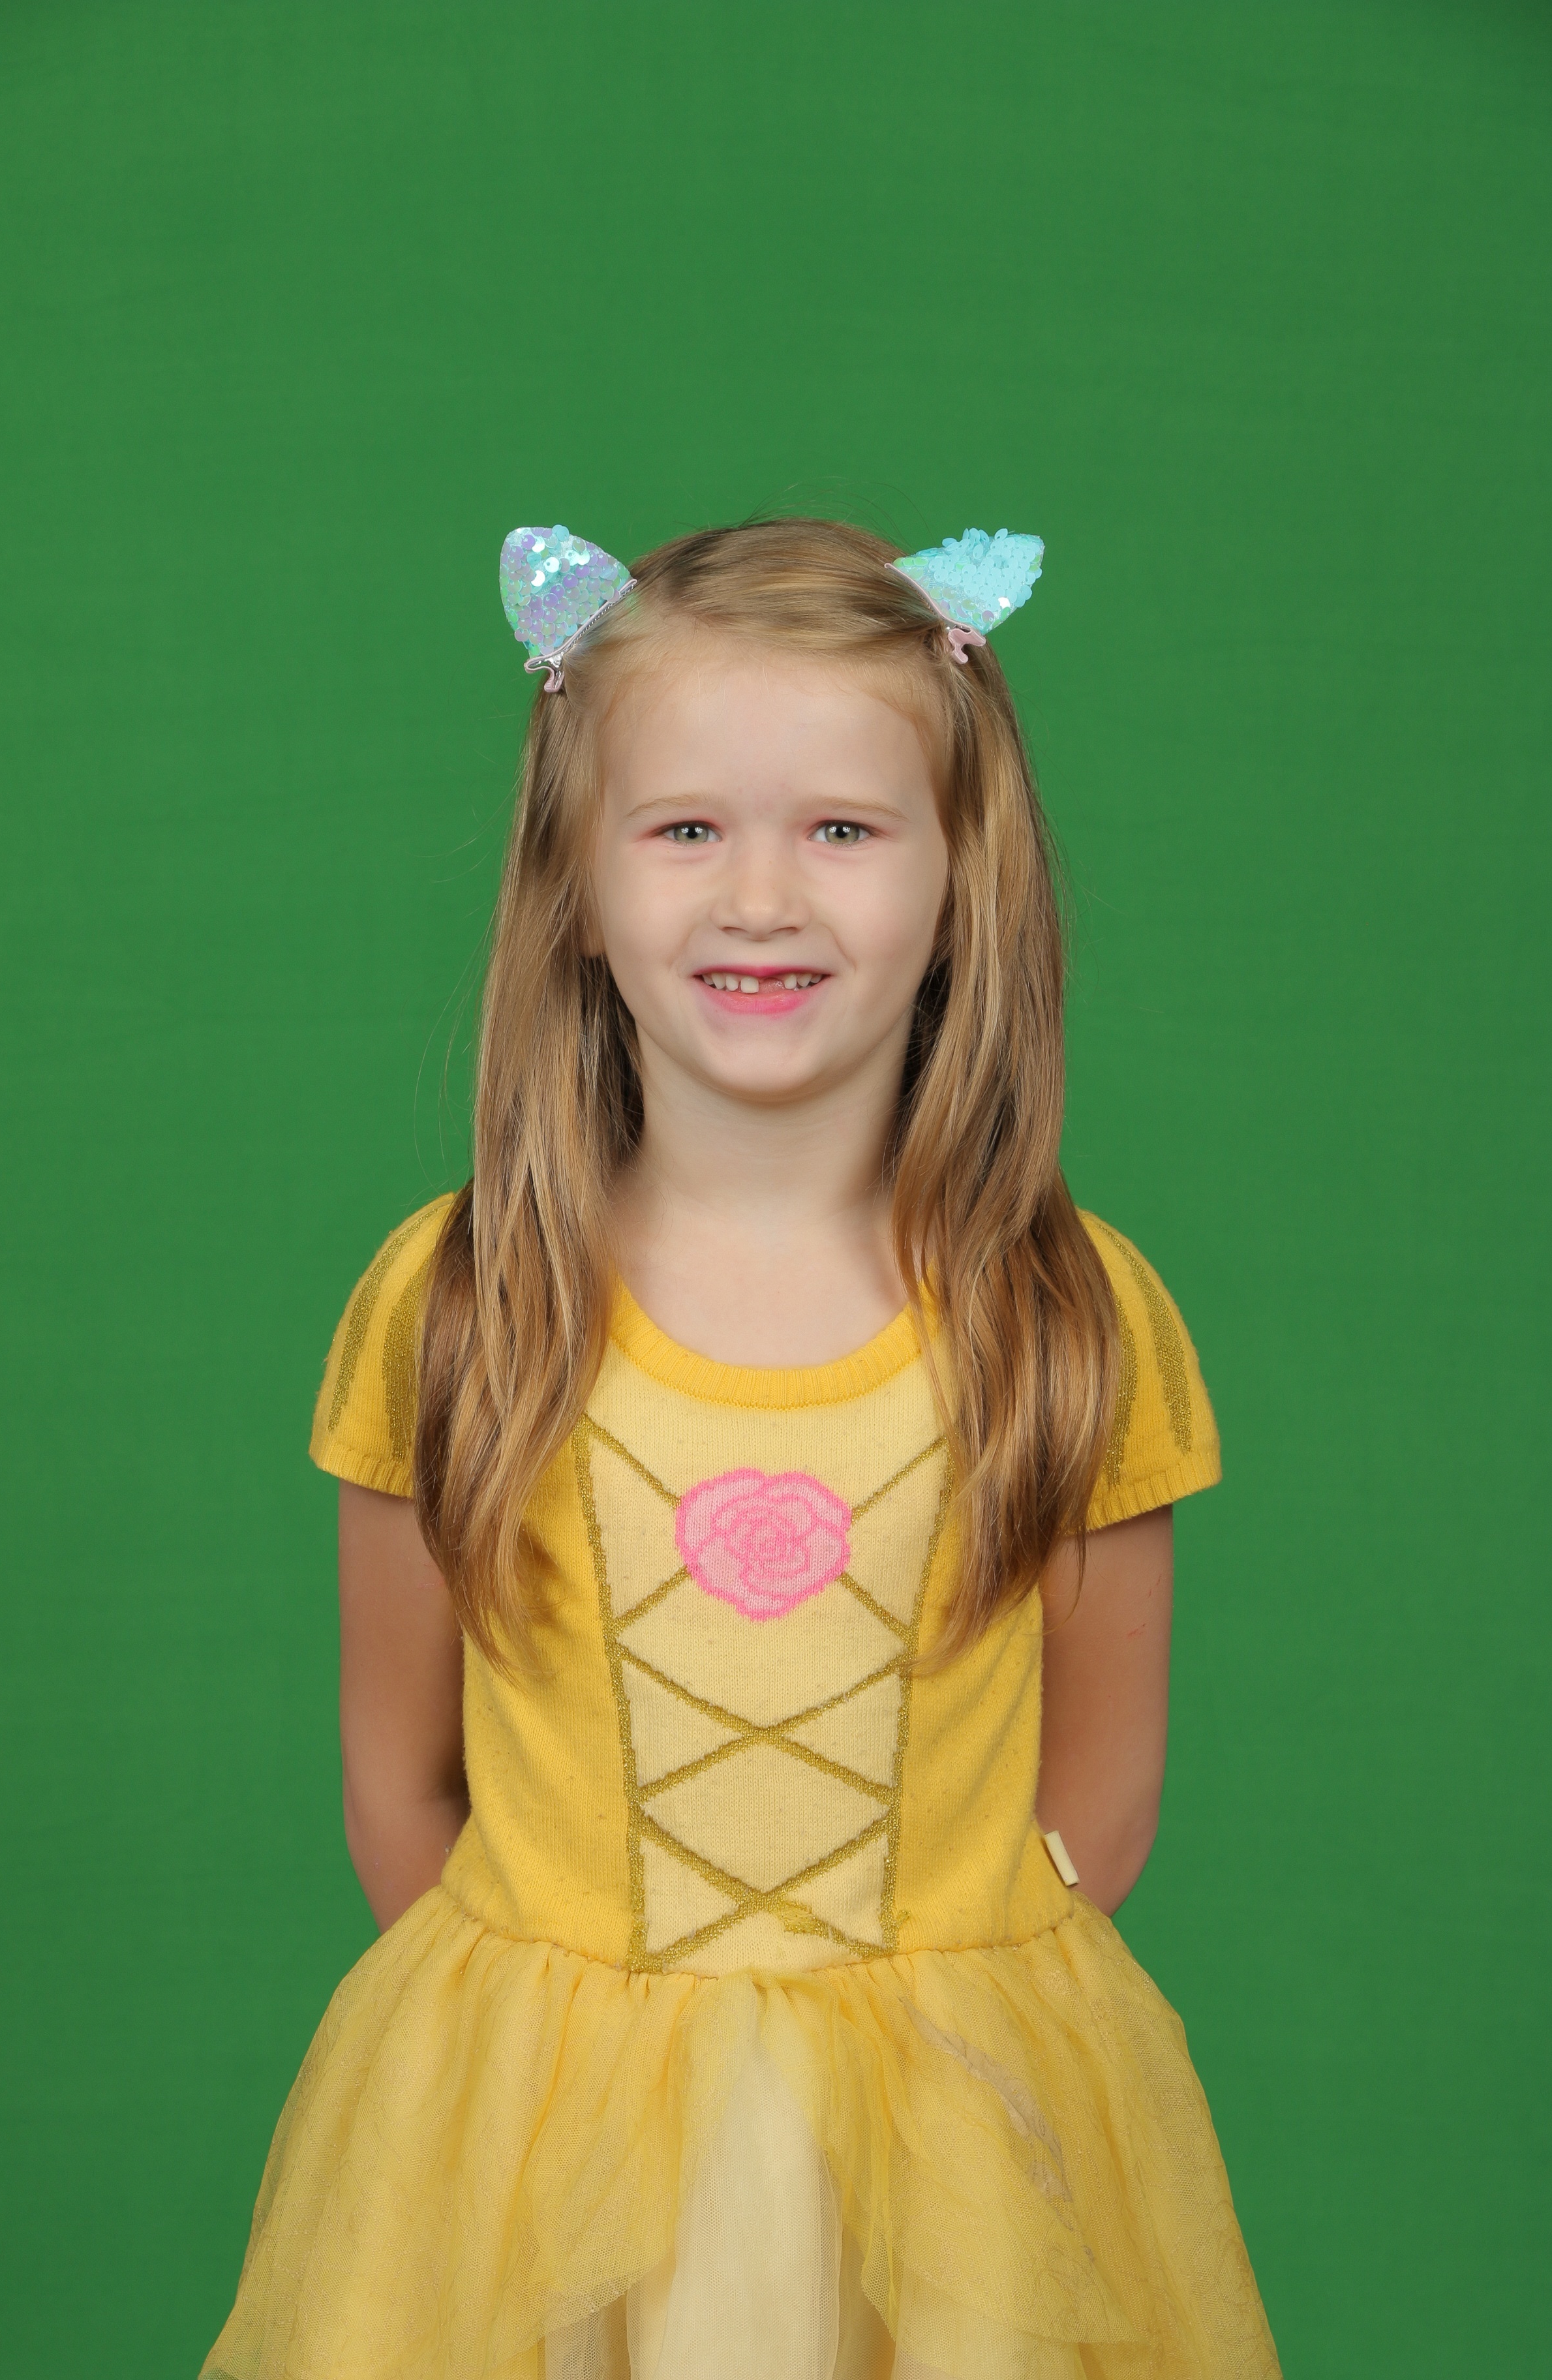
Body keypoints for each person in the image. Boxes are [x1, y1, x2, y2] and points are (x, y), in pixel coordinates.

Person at [204, 517, 1279, 2379]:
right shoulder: (463, 1303)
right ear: (573, 879)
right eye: (686, 827)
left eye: (843, 830)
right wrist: (561, 2064)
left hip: (948, 2170)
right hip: (537, 2162)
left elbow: (1099, 1798)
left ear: (962, 878)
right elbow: (401, 1784)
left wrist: (911, 2061)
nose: (761, 898)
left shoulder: (1065, 1316)